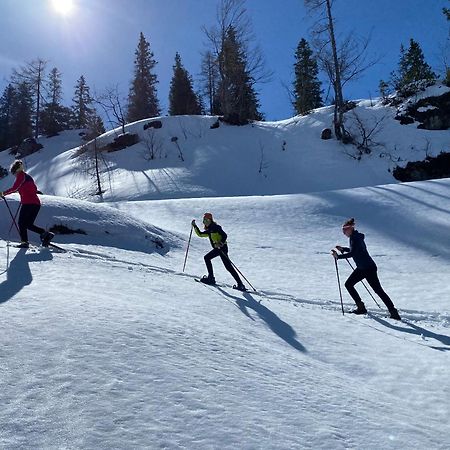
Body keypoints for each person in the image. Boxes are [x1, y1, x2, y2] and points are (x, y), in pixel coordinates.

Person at [331, 218, 401, 320]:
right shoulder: (355, 237)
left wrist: (338, 257)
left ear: (350, 229)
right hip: (363, 268)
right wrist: (343, 249)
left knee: (377, 290)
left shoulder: (355, 238)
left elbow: (353, 253)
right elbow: (354, 250)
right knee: (349, 284)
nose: (343, 232)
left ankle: (393, 312)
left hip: (368, 269)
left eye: (344, 230)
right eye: (343, 230)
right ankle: (362, 308)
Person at [0, 159, 54, 248]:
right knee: (28, 224)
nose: (15, 175)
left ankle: (24, 242)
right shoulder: (28, 177)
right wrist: (23, 194)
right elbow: (33, 189)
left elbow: (15, 188)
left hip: (28, 203)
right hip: (36, 204)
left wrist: (3, 193)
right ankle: (46, 234)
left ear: (16, 170)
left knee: (21, 223)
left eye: (14, 173)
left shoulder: (21, 175)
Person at [191, 212, 246, 291]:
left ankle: (239, 284)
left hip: (222, 248)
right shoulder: (209, 230)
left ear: (210, 220)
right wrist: (194, 226)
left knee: (228, 267)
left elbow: (224, 235)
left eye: (206, 220)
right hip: (218, 249)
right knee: (207, 258)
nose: (205, 222)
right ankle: (211, 278)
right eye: (204, 221)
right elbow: (200, 234)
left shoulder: (216, 227)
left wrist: (220, 243)